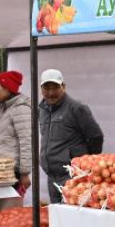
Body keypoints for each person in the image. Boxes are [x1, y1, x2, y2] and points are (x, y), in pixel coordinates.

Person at [39, 69, 104, 204]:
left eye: (55, 87)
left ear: (64, 86)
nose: (51, 93)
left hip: (73, 177)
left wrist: (86, 162)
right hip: (52, 176)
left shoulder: (76, 108)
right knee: (57, 218)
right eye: (46, 88)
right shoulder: (43, 110)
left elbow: (96, 136)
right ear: (41, 88)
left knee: (71, 218)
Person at [0, 71, 33, 193]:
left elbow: (27, 142)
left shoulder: (21, 109)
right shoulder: (0, 107)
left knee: (7, 210)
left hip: (10, 172)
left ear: (7, 88)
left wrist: (24, 173)